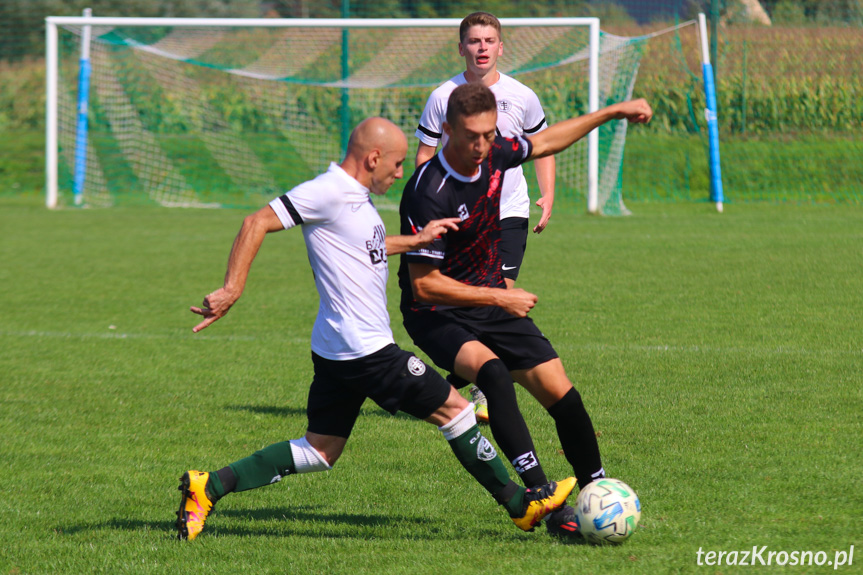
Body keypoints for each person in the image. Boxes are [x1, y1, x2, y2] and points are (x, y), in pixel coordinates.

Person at [174, 117, 576, 541]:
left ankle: (209, 486)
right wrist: (232, 288)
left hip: (336, 347)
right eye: (398, 163)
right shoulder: (327, 191)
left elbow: (366, 244)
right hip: (365, 348)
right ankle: (522, 503)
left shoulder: (355, 199)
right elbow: (256, 222)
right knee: (457, 410)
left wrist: (417, 240)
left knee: (320, 450)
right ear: (373, 158)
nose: (401, 172)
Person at [398, 84, 652, 537]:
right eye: (472, 136)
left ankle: (596, 491)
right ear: (447, 130)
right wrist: (500, 296)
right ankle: (544, 500)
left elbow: (548, 141)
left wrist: (612, 111)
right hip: (437, 311)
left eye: (489, 135)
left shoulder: (494, 152)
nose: (481, 146)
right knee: (492, 374)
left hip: (491, 297)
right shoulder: (427, 190)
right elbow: (423, 285)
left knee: (564, 397)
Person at [415, 11, 556, 422]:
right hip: (461, 218)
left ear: (500, 47)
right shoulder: (443, 96)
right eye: (474, 41)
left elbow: (540, 145)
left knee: (498, 298)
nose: (481, 48)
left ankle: (477, 390)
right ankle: (458, 387)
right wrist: (426, 208)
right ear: (461, 48)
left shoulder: (522, 95)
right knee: (476, 307)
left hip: (509, 213)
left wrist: (548, 193)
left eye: (489, 40)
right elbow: (425, 155)